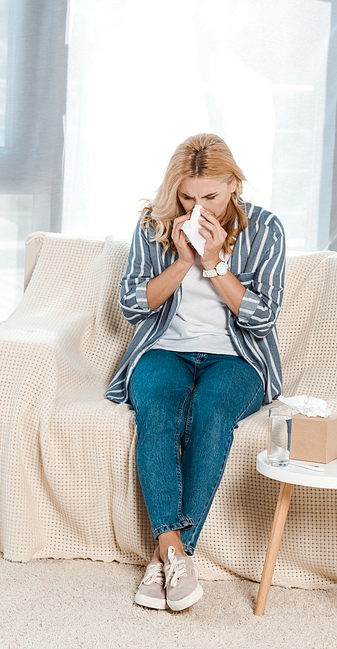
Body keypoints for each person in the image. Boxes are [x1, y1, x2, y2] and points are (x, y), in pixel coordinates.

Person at [106, 133, 285, 612]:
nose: (198, 205)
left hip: (237, 356)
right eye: (188, 196)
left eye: (211, 195)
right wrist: (184, 262)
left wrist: (215, 263)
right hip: (164, 349)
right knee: (159, 409)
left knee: (211, 409)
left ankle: (166, 559)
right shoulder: (154, 224)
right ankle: (175, 554)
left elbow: (263, 317)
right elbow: (131, 305)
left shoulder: (266, 229)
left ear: (233, 184)